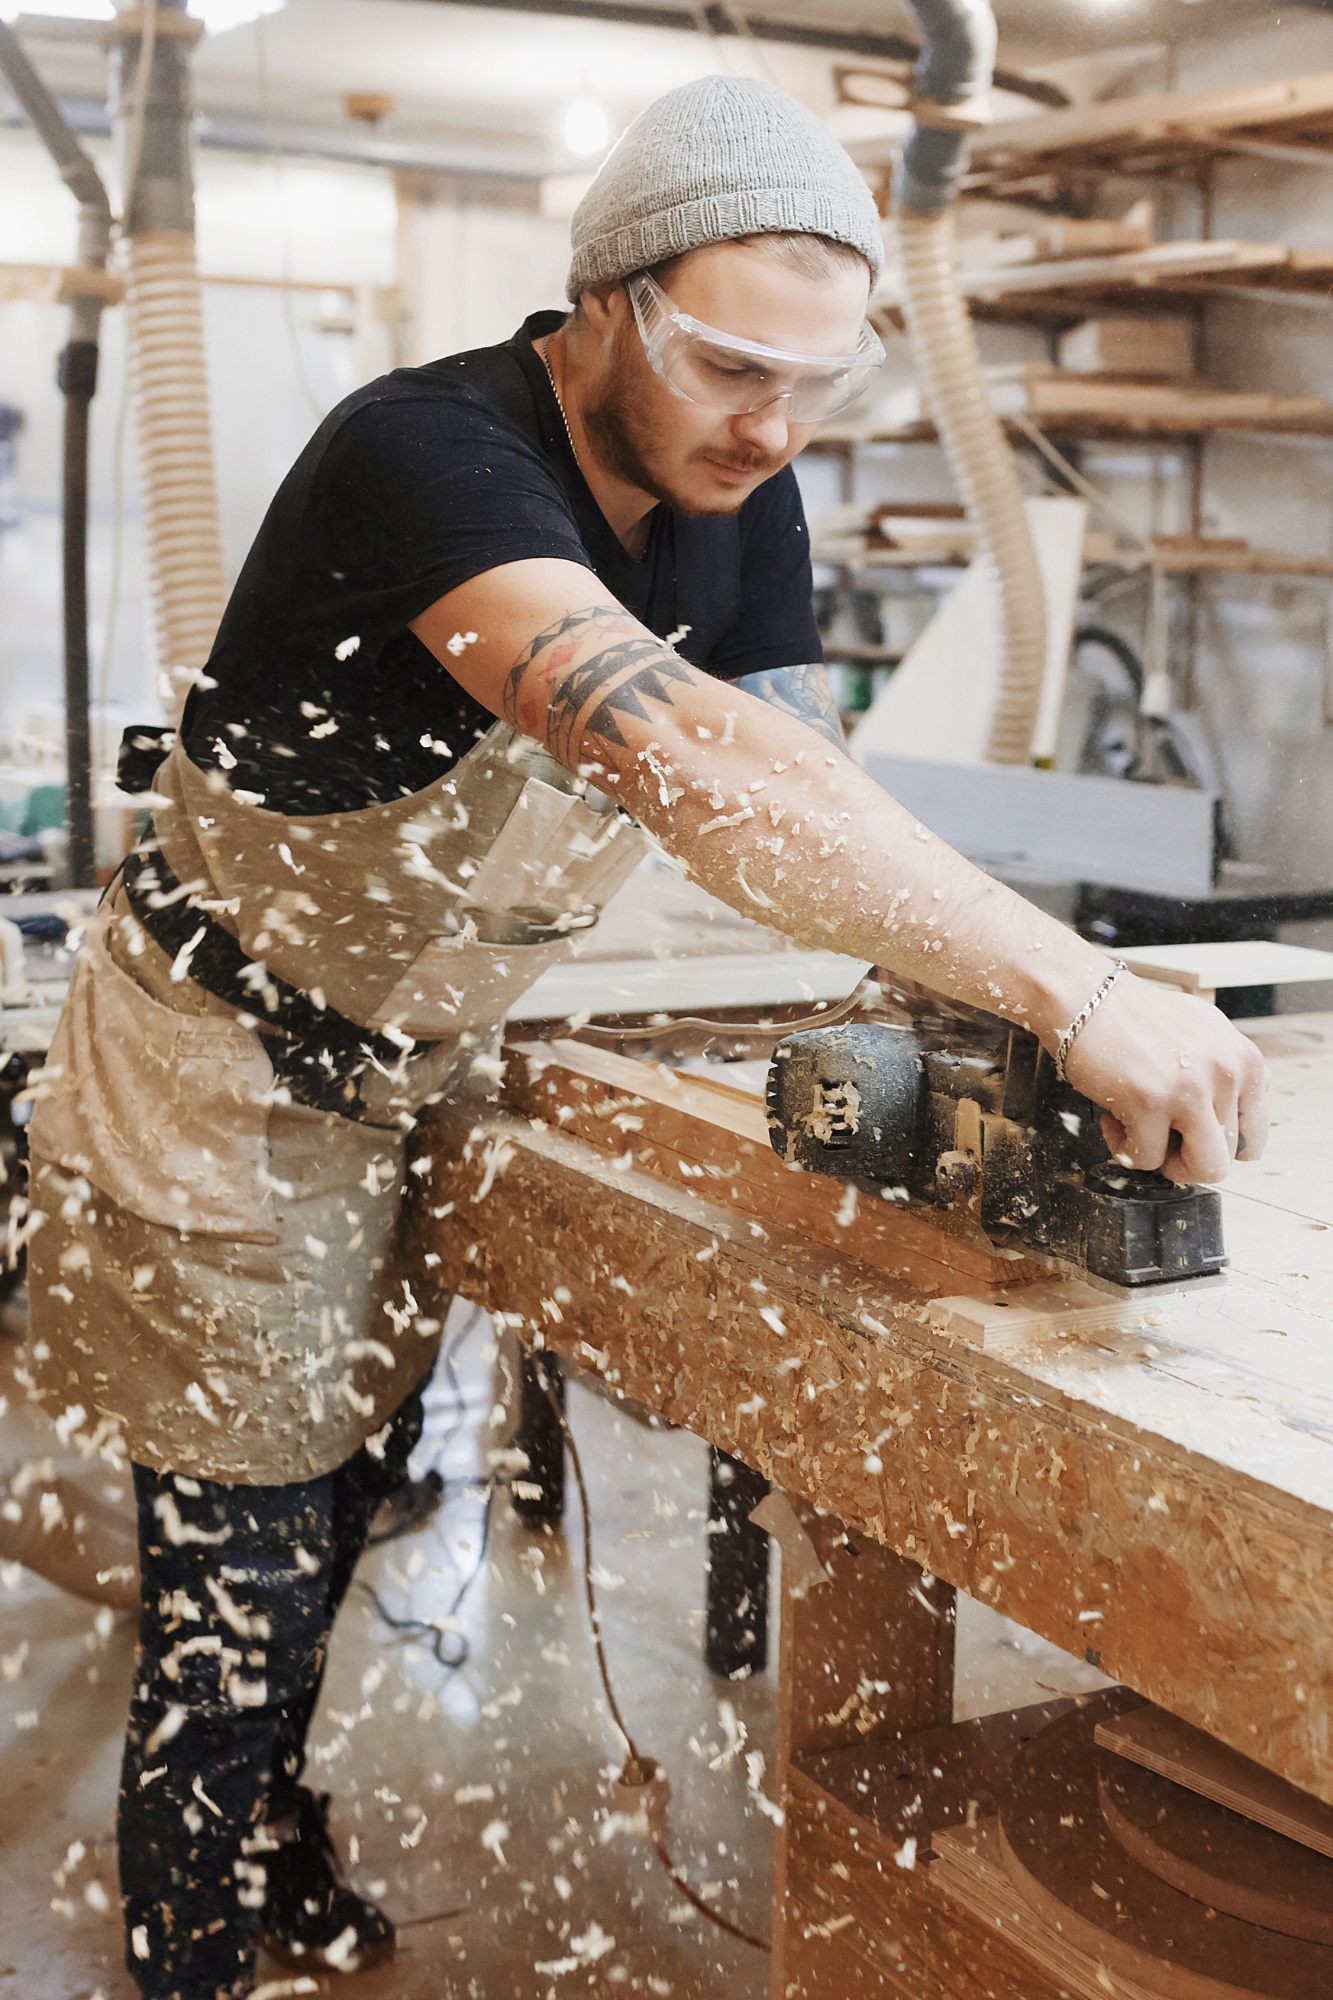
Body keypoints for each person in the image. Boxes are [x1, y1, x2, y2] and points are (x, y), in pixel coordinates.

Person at [21, 73, 1267, 2000]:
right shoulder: (426, 454)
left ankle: (276, 1839)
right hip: (219, 1069)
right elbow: (684, 758)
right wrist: (1080, 992)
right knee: (236, 1584)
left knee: (346, 1501)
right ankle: (189, 1945)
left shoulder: (732, 490)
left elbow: (796, 781)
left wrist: (974, 1000)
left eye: (814, 389)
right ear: (598, 300)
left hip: (413, 1064)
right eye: (726, 371)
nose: (770, 434)